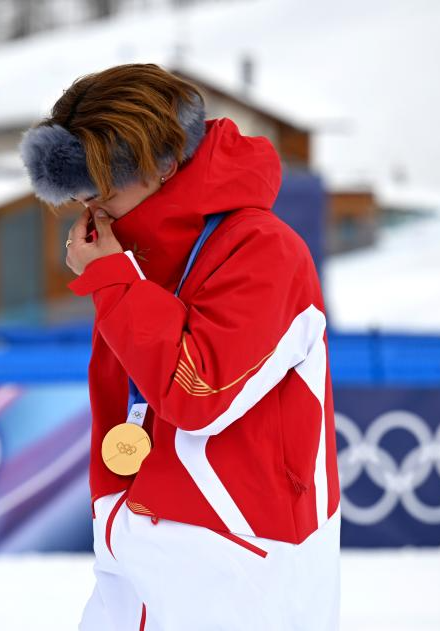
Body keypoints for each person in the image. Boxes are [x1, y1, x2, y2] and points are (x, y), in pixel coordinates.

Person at [17, 63, 342, 630]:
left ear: (162, 164)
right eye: (81, 191)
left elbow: (198, 393)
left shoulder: (265, 250)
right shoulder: (133, 264)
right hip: (132, 556)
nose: (90, 208)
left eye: (104, 185)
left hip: (240, 570)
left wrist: (116, 280)